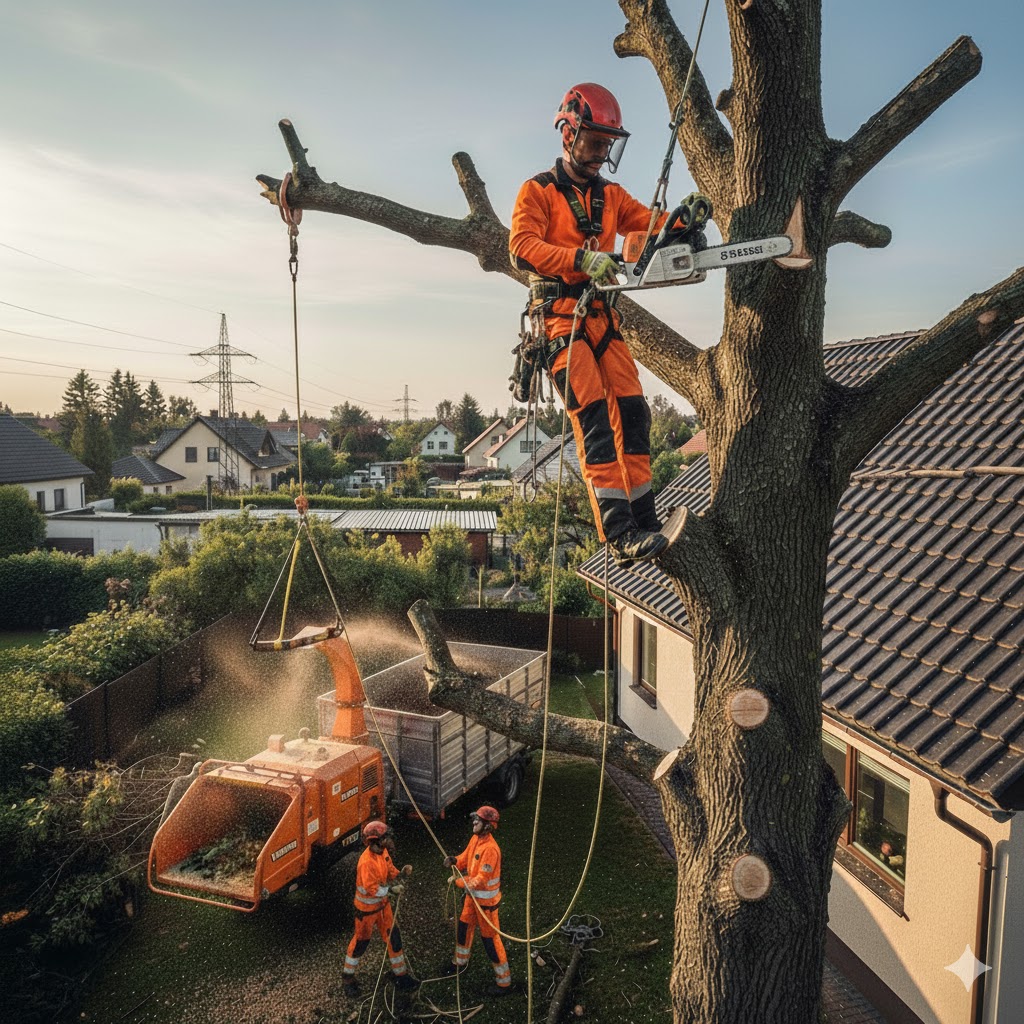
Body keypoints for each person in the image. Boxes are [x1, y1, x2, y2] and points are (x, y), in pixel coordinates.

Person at [509, 82, 711, 565]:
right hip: (560, 323)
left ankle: (644, 518)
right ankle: (617, 533)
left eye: (607, 143)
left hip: (602, 319)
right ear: (569, 133)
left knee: (634, 413)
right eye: (595, 141)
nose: (601, 152)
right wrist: (579, 258)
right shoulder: (537, 192)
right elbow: (521, 247)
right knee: (596, 420)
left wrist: (681, 220)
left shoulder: (611, 195)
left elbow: (647, 222)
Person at [439, 805, 511, 996]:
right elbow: (466, 857)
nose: (474, 822)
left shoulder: (491, 850)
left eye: (478, 820)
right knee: (463, 929)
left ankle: (504, 982)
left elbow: (480, 880)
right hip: (472, 901)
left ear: (487, 825)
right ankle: (460, 963)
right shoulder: (475, 840)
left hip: (487, 906)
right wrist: (455, 860)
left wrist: (459, 882)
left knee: (491, 942)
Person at [342, 820, 418, 998]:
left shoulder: (383, 853)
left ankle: (401, 976)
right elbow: (371, 888)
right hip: (366, 912)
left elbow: (390, 869)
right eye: (385, 837)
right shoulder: (365, 863)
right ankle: (347, 978)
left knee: (394, 938)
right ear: (375, 840)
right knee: (361, 943)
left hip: (383, 907)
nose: (389, 840)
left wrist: (401, 875)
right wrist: (391, 890)